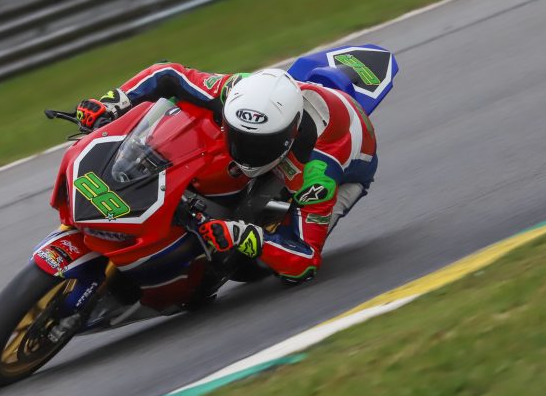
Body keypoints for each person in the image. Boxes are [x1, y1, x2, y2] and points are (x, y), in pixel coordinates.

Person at [75, 62, 378, 284]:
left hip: (350, 162)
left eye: (260, 144)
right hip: (293, 105)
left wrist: (245, 236)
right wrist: (115, 102)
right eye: (239, 137)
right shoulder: (238, 90)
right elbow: (169, 75)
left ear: (289, 135)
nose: (245, 151)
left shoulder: (318, 176)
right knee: (197, 124)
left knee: (262, 272)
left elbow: (304, 260)